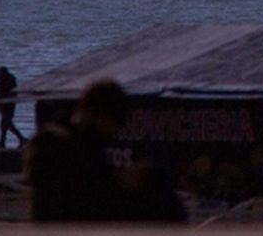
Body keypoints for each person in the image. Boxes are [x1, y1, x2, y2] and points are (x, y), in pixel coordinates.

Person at [24, 79, 185, 223]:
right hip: (68, 228)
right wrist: (119, 183)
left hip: (92, 221)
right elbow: (73, 193)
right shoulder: (52, 141)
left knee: (155, 180)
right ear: (92, 112)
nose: (109, 132)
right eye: (109, 122)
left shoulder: (91, 147)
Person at [0, 66, 26, 149]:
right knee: (5, 124)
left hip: (8, 105)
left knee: (6, 124)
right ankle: (4, 142)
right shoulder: (6, 79)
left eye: (0, 73)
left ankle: (20, 139)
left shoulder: (8, 79)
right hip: (5, 104)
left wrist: (1, 96)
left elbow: (11, 93)